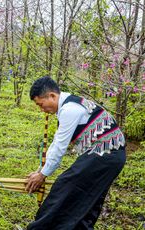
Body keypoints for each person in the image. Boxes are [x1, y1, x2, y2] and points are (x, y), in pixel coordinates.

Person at [26, 76, 126, 229]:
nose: (42, 109)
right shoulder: (69, 105)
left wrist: (42, 175)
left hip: (106, 154)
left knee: (65, 186)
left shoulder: (70, 110)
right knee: (88, 198)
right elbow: (55, 143)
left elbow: (60, 146)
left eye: (41, 104)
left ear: (52, 96)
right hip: (108, 156)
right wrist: (41, 170)